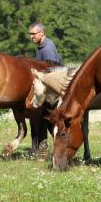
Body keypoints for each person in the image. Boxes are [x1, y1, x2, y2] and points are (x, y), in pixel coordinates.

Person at [28, 21, 63, 158]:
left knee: (45, 116)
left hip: (52, 89)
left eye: (34, 34)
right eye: (30, 34)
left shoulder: (47, 48)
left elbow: (52, 70)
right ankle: (46, 147)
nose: (32, 37)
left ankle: (47, 148)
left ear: (42, 33)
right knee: (44, 117)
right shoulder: (41, 46)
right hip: (49, 87)